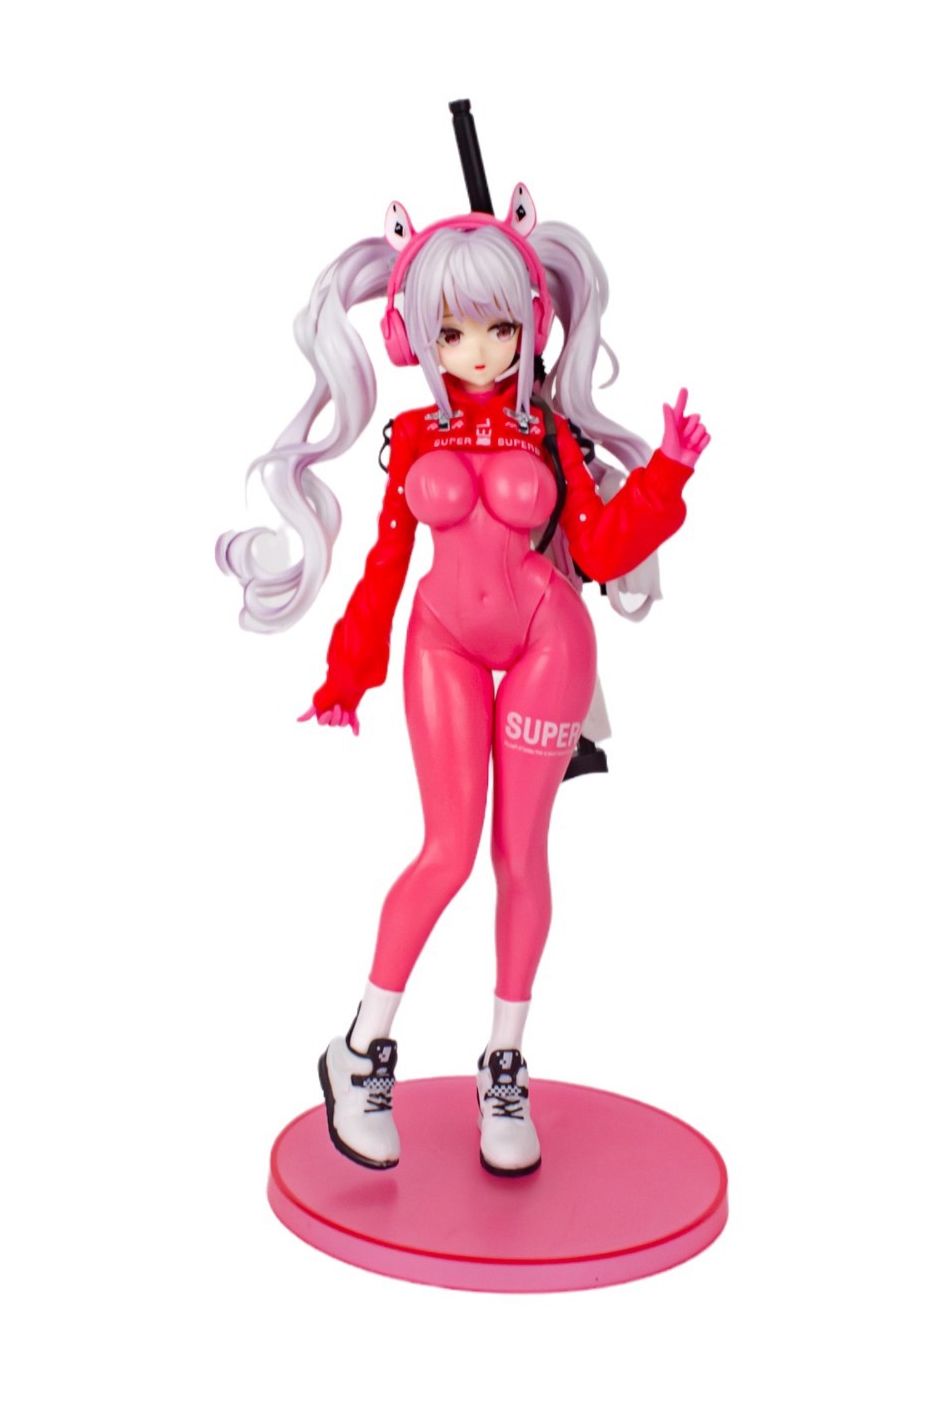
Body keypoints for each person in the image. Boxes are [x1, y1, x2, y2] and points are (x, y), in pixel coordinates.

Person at [217, 184, 708, 1176]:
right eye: (451, 330)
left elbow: (598, 549)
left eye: (498, 327)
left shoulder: (548, 432)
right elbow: (387, 564)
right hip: (441, 641)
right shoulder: (413, 436)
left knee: (520, 855)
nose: (478, 352)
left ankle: (504, 1066)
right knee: (446, 851)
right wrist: (348, 671)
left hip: (547, 643)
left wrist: (665, 473)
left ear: (531, 324)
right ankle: (360, 1049)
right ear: (414, 336)